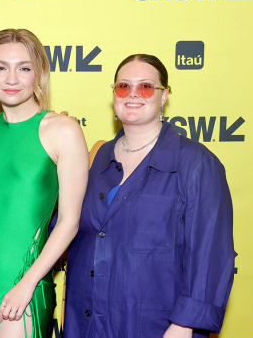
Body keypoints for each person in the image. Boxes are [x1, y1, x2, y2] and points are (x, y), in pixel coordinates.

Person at [63, 54, 234, 338]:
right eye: (123, 86)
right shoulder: (96, 158)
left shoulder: (195, 162)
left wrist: (183, 326)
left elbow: (210, 254)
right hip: (87, 322)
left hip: (158, 326)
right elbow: (67, 229)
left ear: (164, 95)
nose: (132, 94)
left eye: (145, 87)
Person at [0, 29, 88, 338]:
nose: (11, 78)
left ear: (39, 74)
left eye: (24, 68)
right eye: (0, 67)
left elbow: (69, 222)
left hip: (27, 277)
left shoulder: (63, 131)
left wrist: (27, 283)